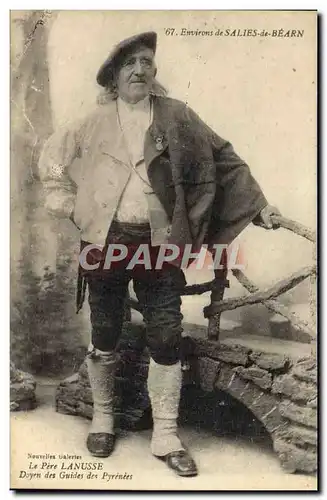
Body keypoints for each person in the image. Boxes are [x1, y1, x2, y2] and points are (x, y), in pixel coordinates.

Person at [39, 31, 281, 477]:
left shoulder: (176, 115)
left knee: (166, 334)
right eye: (129, 63)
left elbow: (224, 158)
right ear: (114, 75)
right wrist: (61, 196)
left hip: (162, 243)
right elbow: (53, 155)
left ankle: (166, 434)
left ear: (155, 71)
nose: (139, 70)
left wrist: (258, 205)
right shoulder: (91, 120)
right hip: (105, 241)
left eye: (146, 62)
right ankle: (103, 419)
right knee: (106, 328)